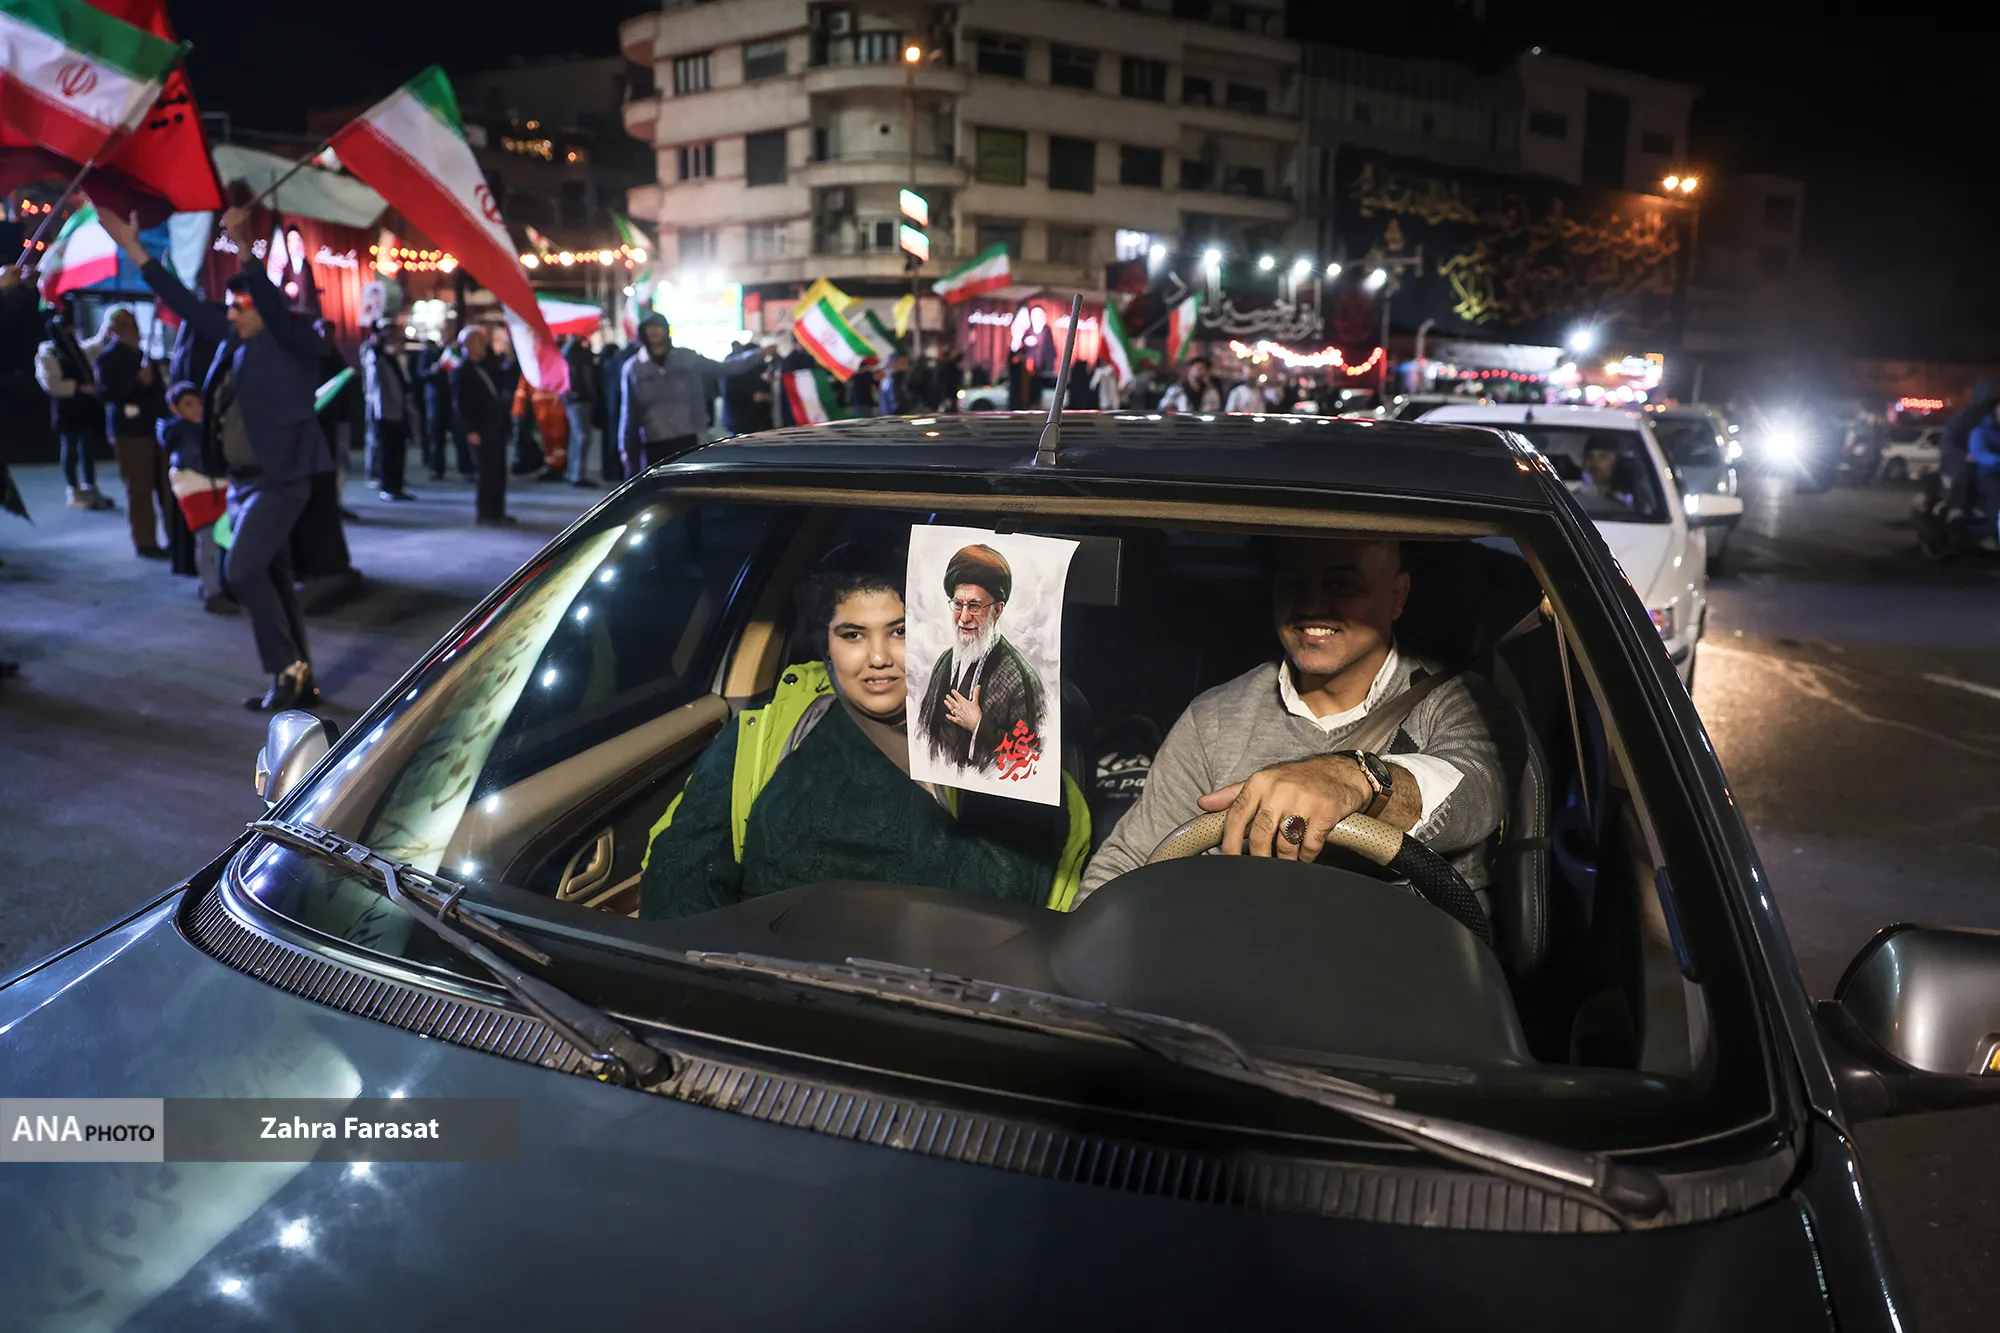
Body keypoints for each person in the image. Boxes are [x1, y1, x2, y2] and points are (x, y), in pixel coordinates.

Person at [637, 545, 1077, 920]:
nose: (878, 657)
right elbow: (680, 866)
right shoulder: (774, 730)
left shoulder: (995, 736)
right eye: (853, 635)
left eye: (899, 631)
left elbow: (1009, 896)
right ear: (826, 646)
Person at [1081, 538, 1506, 900]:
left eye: (1341, 584)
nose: (1312, 605)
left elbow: (1476, 791)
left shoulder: (1457, 701)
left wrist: (1355, 778)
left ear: (1397, 596)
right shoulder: (1214, 717)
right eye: (1293, 583)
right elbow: (1129, 862)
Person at [99, 199, 335, 711]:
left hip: (280, 479)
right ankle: (300, 676)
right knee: (272, 575)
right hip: (244, 482)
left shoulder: (288, 340)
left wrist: (246, 247)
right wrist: (137, 252)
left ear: (261, 309)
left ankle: (284, 668)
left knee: (241, 571)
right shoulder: (234, 343)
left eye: (240, 305)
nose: (230, 312)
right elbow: (185, 305)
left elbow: (270, 303)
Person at [915, 543, 1046, 774]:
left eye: (974, 606)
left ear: (997, 610)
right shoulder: (945, 662)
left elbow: (1030, 758)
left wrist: (978, 725)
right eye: (958, 605)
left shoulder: (1020, 678)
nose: (964, 617)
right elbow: (923, 734)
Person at [618, 314, 767, 474]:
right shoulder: (634, 368)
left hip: (689, 438)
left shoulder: (687, 358)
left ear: (666, 330)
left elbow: (726, 368)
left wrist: (760, 355)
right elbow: (629, 411)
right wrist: (625, 446)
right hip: (654, 442)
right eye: (650, 328)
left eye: (658, 326)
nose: (654, 331)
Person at [94, 306, 169, 557]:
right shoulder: (107, 359)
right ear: (113, 330)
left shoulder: (143, 356)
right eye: (125, 324)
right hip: (130, 432)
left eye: (134, 323)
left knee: (166, 486)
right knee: (139, 488)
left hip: (154, 428)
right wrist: (138, 382)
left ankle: (175, 538)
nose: (133, 329)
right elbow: (108, 394)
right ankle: (145, 541)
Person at [158, 381, 233, 613]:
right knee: (209, 542)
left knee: (221, 541)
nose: (197, 408)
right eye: (188, 404)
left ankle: (216, 586)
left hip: (217, 490)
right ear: (176, 409)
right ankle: (212, 592)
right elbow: (202, 462)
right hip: (199, 493)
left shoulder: (206, 427)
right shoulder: (183, 434)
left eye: (199, 403)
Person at [34, 308, 115, 510]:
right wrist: (78, 387)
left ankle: (90, 488)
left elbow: (94, 347)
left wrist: (107, 327)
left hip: (84, 406)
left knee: (87, 449)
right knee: (70, 448)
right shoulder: (49, 352)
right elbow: (50, 382)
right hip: (67, 406)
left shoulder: (76, 349)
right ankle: (74, 490)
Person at [451, 325, 513, 525]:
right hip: (480, 428)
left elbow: (504, 380)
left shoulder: (487, 367)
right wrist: (470, 430)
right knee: (487, 472)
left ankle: (498, 511)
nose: (483, 346)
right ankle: (486, 512)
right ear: (467, 345)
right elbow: (461, 405)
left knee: (498, 470)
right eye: (478, 342)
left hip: (495, 425)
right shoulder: (462, 371)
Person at [361, 320, 416, 502]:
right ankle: (387, 485)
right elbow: (374, 377)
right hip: (383, 410)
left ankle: (396, 485)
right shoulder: (376, 356)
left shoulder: (394, 356)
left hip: (398, 408)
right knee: (387, 449)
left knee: (398, 449)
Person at [562, 334, 600, 487]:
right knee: (581, 436)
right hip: (579, 398)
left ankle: (573, 471)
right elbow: (584, 377)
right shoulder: (574, 353)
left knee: (576, 435)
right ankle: (577, 473)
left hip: (575, 398)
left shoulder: (569, 352)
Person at [877, 350, 912, 417]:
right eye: (903, 363)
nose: (907, 366)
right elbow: (894, 403)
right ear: (894, 364)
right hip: (894, 418)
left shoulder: (899, 379)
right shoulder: (891, 381)